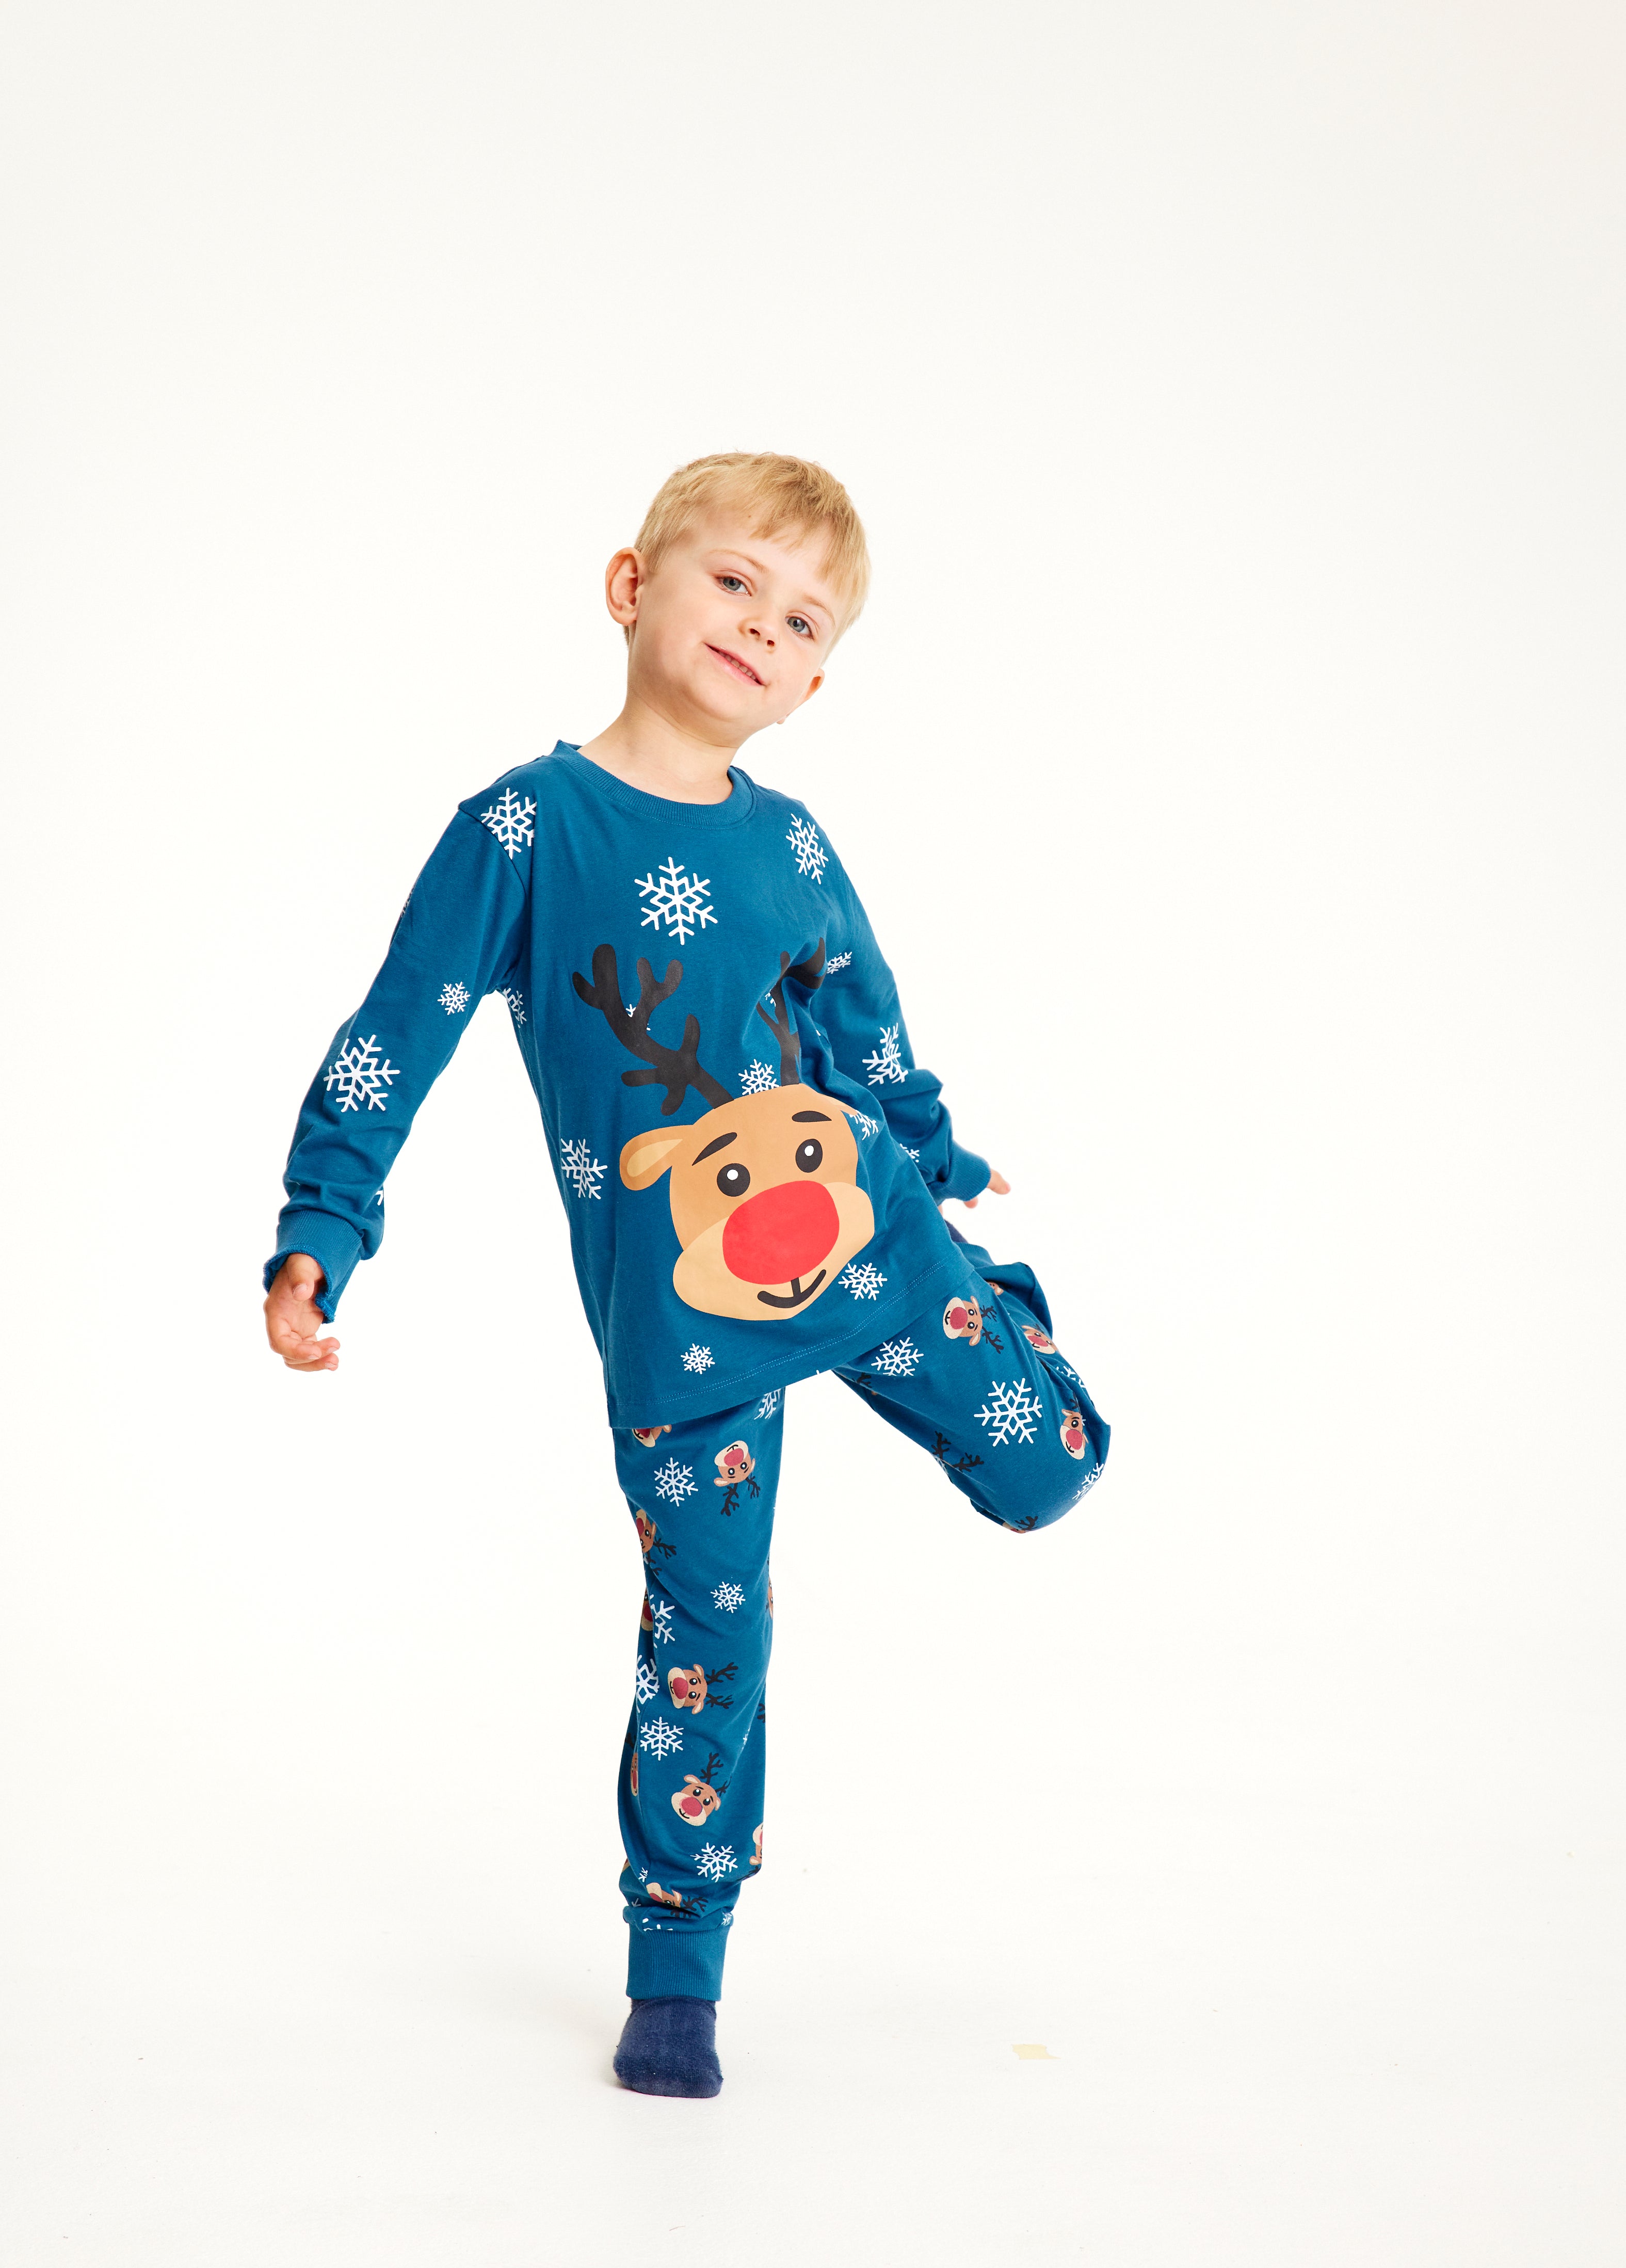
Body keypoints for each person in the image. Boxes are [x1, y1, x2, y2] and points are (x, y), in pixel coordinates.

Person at [263, 452, 1109, 2098]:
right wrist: (325, 1222)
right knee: (711, 1626)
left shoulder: (792, 845)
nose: (761, 628)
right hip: (682, 1327)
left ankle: (991, 1298)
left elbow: (863, 1023)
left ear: (811, 687)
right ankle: (677, 1961)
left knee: (1053, 1470)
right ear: (631, 585)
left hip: (865, 1241)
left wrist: (930, 1160)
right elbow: (396, 1034)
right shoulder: (525, 829)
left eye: (802, 623)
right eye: (735, 583)